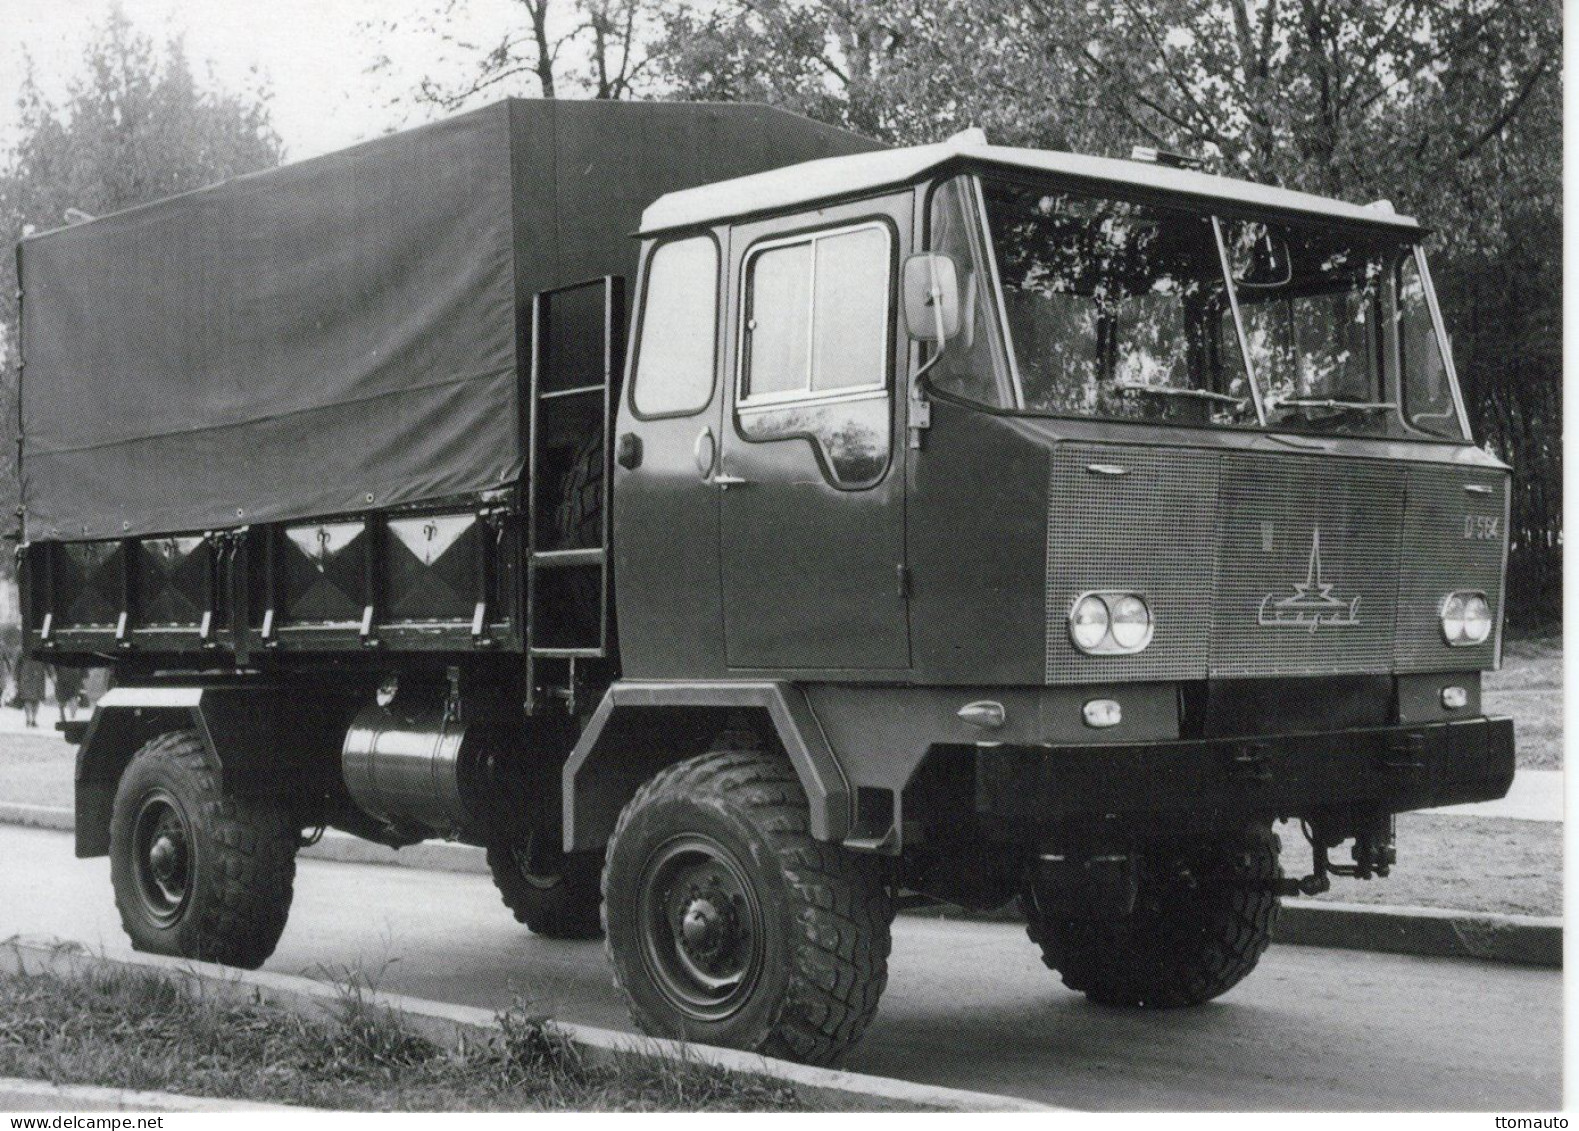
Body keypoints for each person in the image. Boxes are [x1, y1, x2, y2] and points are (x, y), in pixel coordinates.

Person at [14, 655, 46, 728]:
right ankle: (33, 719)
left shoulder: (23, 650)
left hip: (27, 676)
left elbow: (17, 666)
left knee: (28, 699)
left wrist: (16, 678)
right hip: (37, 676)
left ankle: (29, 719)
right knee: (35, 699)